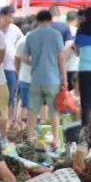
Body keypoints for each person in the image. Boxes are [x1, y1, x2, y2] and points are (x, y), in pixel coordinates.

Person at [23, 9, 66, 145]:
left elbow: (24, 58)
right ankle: (55, 139)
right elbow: (61, 58)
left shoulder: (30, 35)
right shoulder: (56, 34)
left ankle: (30, 138)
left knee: (33, 110)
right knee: (54, 110)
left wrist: (35, 62)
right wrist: (64, 78)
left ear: (37, 20)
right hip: (53, 79)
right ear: (50, 20)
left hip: (36, 78)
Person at [0, 5, 23, 116]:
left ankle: (9, 120)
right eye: (9, 17)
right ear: (2, 16)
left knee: (10, 96)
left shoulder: (15, 29)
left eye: (12, 17)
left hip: (11, 68)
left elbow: (22, 42)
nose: (11, 19)